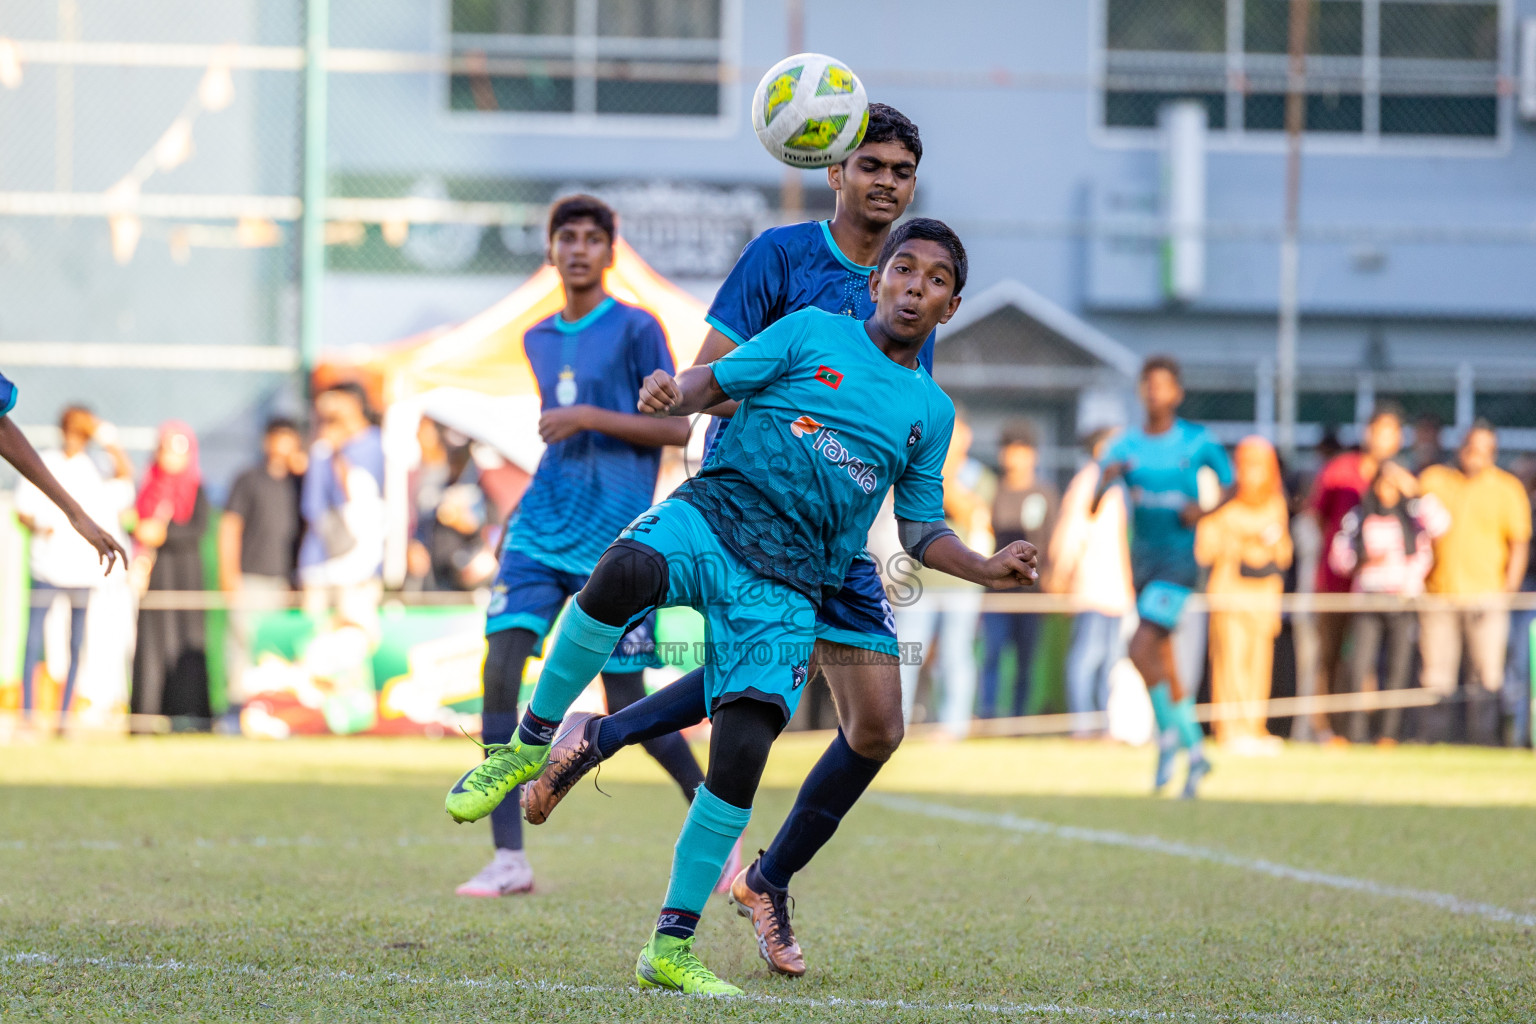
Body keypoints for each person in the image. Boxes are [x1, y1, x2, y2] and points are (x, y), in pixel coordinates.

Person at [444, 219, 1038, 995]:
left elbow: (923, 528)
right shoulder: (811, 331)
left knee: (743, 751)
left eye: (934, 281)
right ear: (876, 280)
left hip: (795, 581)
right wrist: (674, 390)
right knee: (622, 573)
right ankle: (529, 743)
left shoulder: (929, 412)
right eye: (903, 270)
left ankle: (670, 947)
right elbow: (714, 383)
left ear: (950, 308)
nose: (914, 288)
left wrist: (984, 565)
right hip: (718, 516)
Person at [511, 104, 934, 978]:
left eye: (901, 169)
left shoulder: (912, 276)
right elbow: (713, 377)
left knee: (878, 728)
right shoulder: (781, 257)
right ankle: (734, 891)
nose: (886, 181)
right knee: (754, 690)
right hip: (745, 513)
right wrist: (795, 407)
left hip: (837, 534)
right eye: (871, 166)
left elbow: (894, 410)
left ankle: (641, 770)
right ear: (835, 171)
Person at [454, 194, 711, 898]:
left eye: (591, 239)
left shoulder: (637, 327)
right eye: (565, 237)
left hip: (614, 539)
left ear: (610, 251)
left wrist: (586, 417)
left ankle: (719, 827)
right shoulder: (536, 336)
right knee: (501, 668)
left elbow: (675, 431)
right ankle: (509, 856)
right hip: (540, 525)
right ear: (550, 250)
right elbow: (559, 435)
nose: (577, 249)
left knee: (629, 697)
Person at [1099, 356, 1233, 797]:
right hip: (1143, 563)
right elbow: (1093, 502)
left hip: (1178, 565)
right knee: (1165, 658)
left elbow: (1232, 484)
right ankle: (1193, 753)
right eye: (1148, 385)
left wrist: (1205, 510)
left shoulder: (1197, 442)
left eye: (1163, 386)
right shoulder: (1125, 446)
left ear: (1176, 393)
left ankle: (1169, 737)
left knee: (1138, 646)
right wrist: (1107, 480)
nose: (1154, 393)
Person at [12, 405, 134, 730]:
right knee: (34, 640)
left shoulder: (91, 467)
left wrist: (105, 434)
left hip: (82, 571)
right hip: (47, 569)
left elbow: (124, 478)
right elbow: (22, 509)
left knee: (76, 644)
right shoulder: (45, 462)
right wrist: (39, 525)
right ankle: (28, 712)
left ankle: (65, 717)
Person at [1418, 421, 1531, 745]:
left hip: (1487, 595)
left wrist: (1507, 591)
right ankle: (1433, 741)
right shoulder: (1435, 480)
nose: (1475, 456)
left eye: (1483, 450)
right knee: (1435, 677)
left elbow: (1518, 543)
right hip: (1439, 595)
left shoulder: (1507, 488)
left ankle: (1483, 742)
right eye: (1470, 447)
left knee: (1486, 677)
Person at [1301, 405, 1405, 742]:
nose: (1382, 439)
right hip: (1336, 582)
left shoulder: (1402, 478)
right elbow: (1317, 518)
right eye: (1377, 431)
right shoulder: (1339, 471)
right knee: (1329, 654)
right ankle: (1326, 729)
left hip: (1382, 587)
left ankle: (1366, 731)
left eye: (1390, 432)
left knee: (1367, 662)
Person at [1328, 462, 1446, 745]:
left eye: (1394, 486)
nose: (1388, 491)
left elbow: (1442, 525)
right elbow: (1338, 557)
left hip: (1403, 600)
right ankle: (1352, 732)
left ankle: (1388, 734)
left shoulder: (1411, 515)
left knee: (1397, 668)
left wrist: (1415, 490)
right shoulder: (1359, 515)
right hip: (1368, 600)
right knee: (1357, 666)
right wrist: (1365, 561)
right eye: (1384, 484)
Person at [1196, 437, 1292, 753]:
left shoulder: (1276, 504)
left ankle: (1254, 727)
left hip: (1263, 600)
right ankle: (1231, 730)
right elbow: (1205, 549)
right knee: (1231, 663)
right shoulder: (1224, 505)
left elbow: (1283, 554)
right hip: (1230, 597)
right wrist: (1245, 541)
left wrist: (1258, 543)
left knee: (1258, 665)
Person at [895, 412, 989, 734]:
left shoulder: (980, 476)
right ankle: (899, 724)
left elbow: (968, 509)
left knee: (955, 656)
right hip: (918, 580)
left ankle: (954, 728)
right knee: (906, 655)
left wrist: (944, 476)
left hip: (962, 583)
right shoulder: (923, 468)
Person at [130, 421, 213, 730]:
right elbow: (133, 518)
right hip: (156, 574)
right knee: (153, 643)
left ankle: (189, 717)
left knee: (187, 643)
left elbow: (198, 528)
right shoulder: (148, 485)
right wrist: (141, 529)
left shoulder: (197, 487)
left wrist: (164, 533)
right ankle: (146, 715)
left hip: (186, 575)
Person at [1049, 427, 1132, 737]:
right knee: (1087, 657)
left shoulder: (1118, 483)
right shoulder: (1089, 480)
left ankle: (1102, 726)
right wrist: (1061, 571)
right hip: (1093, 585)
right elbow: (1071, 531)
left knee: (1108, 662)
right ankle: (1083, 726)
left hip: (1115, 589)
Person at [220, 417, 304, 711]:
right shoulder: (248, 480)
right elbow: (230, 526)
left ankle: (270, 709)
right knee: (242, 646)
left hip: (284, 581)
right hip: (250, 578)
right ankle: (236, 709)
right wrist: (229, 574)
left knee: (275, 653)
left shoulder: (299, 484)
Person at [978, 420, 1057, 719]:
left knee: (1027, 659)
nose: (1015, 457)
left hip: (1032, 591)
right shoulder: (994, 492)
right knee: (992, 654)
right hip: (996, 591)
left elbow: (1052, 540)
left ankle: (1020, 717)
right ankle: (988, 714)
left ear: (1033, 454)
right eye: (1010, 450)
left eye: (1022, 450)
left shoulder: (1045, 493)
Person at [298, 384, 385, 635]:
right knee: (313, 643)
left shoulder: (376, 444)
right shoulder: (321, 448)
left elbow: (356, 496)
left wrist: (338, 456)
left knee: (354, 640)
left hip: (361, 565)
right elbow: (312, 506)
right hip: (321, 562)